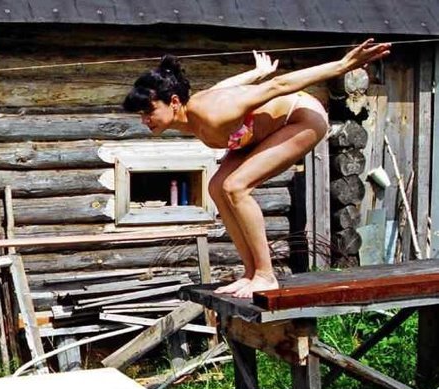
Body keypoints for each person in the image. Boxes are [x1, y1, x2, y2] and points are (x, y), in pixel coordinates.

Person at [124, 39, 391, 298]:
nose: (145, 120)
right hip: (258, 133)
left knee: (236, 187)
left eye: (149, 111)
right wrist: (257, 72)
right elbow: (227, 86)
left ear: (173, 102)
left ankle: (266, 274)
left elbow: (279, 85)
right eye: (141, 114)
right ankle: (251, 272)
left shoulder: (214, 112)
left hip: (301, 118)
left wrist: (342, 66)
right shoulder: (196, 111)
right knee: (217, 188)